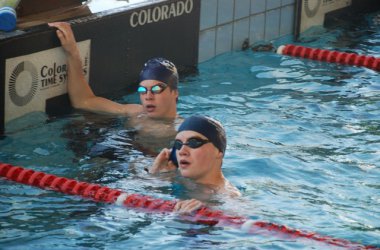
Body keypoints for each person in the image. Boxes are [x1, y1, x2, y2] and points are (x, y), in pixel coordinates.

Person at [49, 22, 181, 154]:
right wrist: (72, 52)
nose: (148, 96)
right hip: (120, 154)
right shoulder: (135, 113)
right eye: (142, 90)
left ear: (174, 92)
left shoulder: (182, 130)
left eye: (156, 90)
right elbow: (83, 101)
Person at [149, 115, 241, 214]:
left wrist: (198, 218)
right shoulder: (176, 177)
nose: (182, 151)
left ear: (219, 152)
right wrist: (154, 175)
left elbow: (241, 218)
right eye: (178, 144)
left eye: (193, 143)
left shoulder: (228, 195)